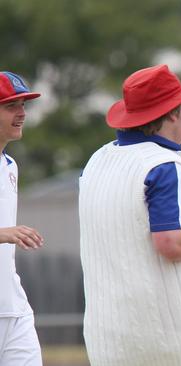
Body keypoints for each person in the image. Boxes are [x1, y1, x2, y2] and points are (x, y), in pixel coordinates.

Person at [79, 64, 181, 366]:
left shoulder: (97, 160)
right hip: (169, 343)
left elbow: (118, 242)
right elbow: (171, 244)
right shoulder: (164, 164)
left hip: (107, 343)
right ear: (173, 113)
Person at [0, 71, 44, 366]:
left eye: (23, 104)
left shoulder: (10, 165)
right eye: (11, 106)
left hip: (13, 308)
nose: (21, 113)